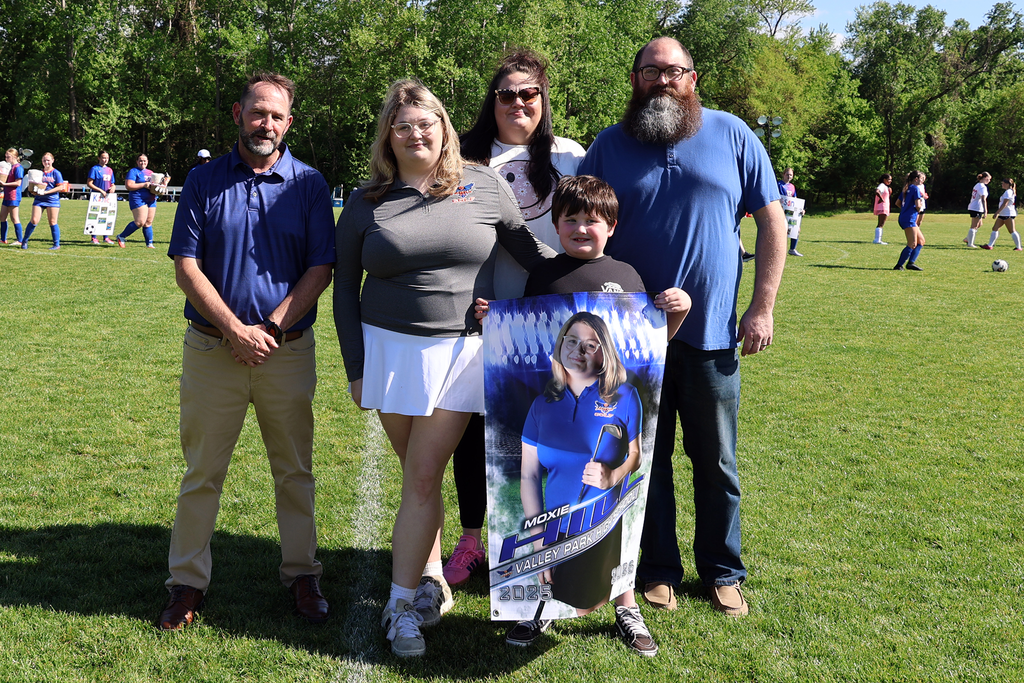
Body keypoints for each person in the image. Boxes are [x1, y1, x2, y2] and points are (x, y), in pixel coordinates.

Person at [333, 79, 554, 658]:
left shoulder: (482, 185)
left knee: (423, 475)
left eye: (425, 122)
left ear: (444, 128)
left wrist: (612, 280)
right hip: (387, 353)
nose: (415, 133)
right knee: (417, 476)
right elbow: (343, 293)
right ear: (388, 135)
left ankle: (401, 605)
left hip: (461, 353)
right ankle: (431, 577)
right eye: (402, 125)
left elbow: (537, 257)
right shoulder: (366, 201)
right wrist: (356, 367)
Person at [577, 36, 787, 618]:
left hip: (713, 333)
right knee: (648, 456)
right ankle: (659, 568)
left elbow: (773, 224)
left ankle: (723, 570)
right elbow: (581, 227)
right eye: (651, 71)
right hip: (631, 340)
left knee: (717, 458)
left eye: (674, 72)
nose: (662, 81)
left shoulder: (732, 134)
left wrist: (761, 306)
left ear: (693, 79)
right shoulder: (609, 146)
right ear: (635, 79)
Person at [475, 175, 689, 655]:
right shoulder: (545, 277)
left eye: (591, 220)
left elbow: (656, 347)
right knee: (554, 527)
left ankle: (626, 606)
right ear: (555, 225)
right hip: (559, 434)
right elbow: (521, 341)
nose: (580, 228)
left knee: (617, 533)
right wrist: (495, 321)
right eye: (569, 219)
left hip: (606, 431)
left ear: (611, 226)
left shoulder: (629, 276)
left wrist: (679, 311)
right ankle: (541, 606)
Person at [159, 72, 335, 632]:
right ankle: (186, 582)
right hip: (213, 349)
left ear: (289, 122)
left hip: (286, 351)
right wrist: (235, 328)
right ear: (238, 113)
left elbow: (320, 267)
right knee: (202, 473)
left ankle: (302, 573)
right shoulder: (202, 180)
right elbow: (187, 266)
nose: (267, 123)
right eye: (258, 112)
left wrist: (273, 327)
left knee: (294, 471)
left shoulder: (308, 183)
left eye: (277, 116)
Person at [443, 50, 587, 590]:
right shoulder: (464, 159)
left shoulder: (572, 156)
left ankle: (550, 543)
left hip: (555, 320)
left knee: (548, 431)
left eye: (530, 94)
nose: (519, 103)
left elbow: (590, 225)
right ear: (492, 101)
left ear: (544, 101)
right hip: (483, 318)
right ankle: (472, 540)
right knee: (474, 429)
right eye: (507, 94)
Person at [116, 153, 168, 248]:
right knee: (140, 222)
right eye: (140, 160)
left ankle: (149, 244)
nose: (142, 162)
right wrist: (144, 185)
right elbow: (129, 186)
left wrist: (163, 185)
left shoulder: (150, 172)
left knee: (148, 222)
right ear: (137, 161)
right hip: (138, 198)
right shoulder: (133, 171)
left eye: (144, 160)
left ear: (147, 162)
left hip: (151, 199)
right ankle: (121, 236)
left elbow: (155, 185)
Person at [21, 152, 64, 250]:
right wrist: (33, 191)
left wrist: (46, 192)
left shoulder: (56, 173)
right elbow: (32, 186)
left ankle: (56, 244)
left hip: (52, 200)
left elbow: (60, 187)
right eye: (44, 160)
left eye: (48, 160)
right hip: (39, 199)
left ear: (52, 161)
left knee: (53, 222)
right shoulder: (39, 172)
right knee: (34, 220)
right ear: (42, 161)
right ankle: (24, 241)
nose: (46, 162)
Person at [893, 170, 926, 271]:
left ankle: (911, 263)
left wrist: (906, 209)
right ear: (916, 179)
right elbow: (918, 205)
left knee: (921, 241)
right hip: (909, 219)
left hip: (905, 217)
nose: (922, 181)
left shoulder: (906, 188)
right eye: (921, 179)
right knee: (912, 243)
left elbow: (897, 203)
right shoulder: (915, 188)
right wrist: (919, 207)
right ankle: (899, 265)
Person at [981, 178, 1022, 251]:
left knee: (1012, 231)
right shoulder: (1008, 191)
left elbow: (1005, 203)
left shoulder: (1008, 192)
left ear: (1007, 184)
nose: (1002, 185)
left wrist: (997, 212)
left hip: (1008, 213)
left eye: (1003, 183)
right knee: (995, 228)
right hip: (1003, 214)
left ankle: (1018, 247)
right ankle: (990, 245)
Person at [86, 151, 117, 244]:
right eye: (103, 157)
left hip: (107, 197)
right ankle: (94, 237)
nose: (105, 160)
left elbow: (112, 183)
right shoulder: (94, 169)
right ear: (99, 158)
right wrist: (100, 190)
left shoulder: (110, 170)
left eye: (107, 158)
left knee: (106, 216)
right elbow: (89, 183)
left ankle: (106, 237)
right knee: (95, 216)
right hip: (96, 196)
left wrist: (113, 188)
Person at [1, 148, 25, 245]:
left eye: (8, 157)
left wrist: (4, 184)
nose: (6, 158)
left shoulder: (18, 167)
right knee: (2, 217)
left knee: (14, 218)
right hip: (7, 195)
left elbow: (18, 183)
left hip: (14, 195)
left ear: (15, 157)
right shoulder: (9, 167)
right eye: (6, 157)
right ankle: (3, 239)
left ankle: (20, 240)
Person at [779, 167, 805, 256]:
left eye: (791, 175)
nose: (789, 176)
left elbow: (795, 199)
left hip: (791, 211)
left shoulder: (792, 186)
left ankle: (792, 249)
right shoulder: (779, 185)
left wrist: (801, 209)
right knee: (781, 230)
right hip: (781, 211)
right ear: (783, 174)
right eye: (787, 174)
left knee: (795, 228)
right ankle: (779, 249)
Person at [964, 172, 992, 248]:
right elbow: (983, 199)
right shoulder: (982, 187)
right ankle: (970, 243)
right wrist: (986, 210)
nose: (989, 181)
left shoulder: (977, 185)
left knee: (979, 224)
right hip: (976, 207)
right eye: (989, 179)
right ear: (985, 178)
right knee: (974, 225)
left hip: (974, 207)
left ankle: (967, 238)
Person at [872, 174, 892, 244]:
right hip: (883, 206)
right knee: (881, 223)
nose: (890, 181)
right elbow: (877, 191)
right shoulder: (882, 185)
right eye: (889, 179)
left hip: (884, 206)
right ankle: (877, 240)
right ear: (884, 179)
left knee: (881, 223)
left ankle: (877, 239)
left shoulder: (886, 187)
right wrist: (881, 198)